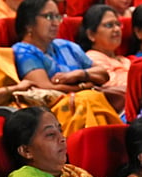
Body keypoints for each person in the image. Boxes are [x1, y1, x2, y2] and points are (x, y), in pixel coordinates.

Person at [12, 0, 122, 134]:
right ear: (28, 23)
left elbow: (103, 74)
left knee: (92, 99)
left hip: (82, 104)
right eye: (48, 17)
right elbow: (47, 89)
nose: (55, 23)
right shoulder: (23, 51)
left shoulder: (66, 45)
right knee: (90, 98)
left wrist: (79, 75)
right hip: (54, 112)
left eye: (57, 17)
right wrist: (84, 87)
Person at [78, 4, 131, 88]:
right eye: (109, 25)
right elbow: (110, 84)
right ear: (91, 34)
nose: (117, 29)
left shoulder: (124, 60)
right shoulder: (92, 58)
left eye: (118, 24)